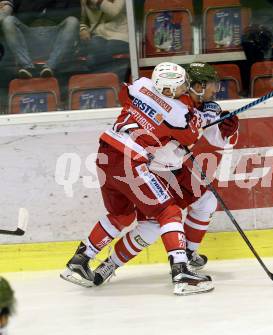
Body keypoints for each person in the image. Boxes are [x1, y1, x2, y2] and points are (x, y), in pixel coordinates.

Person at [60, 62, 214, 296]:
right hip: (130, 160)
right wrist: (206, 116)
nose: (186, 86)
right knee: (168, 211)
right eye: (182, 84)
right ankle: (182, 272)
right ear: (170, 90)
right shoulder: (178, 112)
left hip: (105, 154)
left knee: (121, 215)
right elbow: (189, 134)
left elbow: (124, 94)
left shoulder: (140, 85)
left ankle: (80, 260)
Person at [91, 62, 240, 286]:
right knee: (151, 226)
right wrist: (202, 121)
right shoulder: (173, 104)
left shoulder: (204, 106)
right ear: (196, 85)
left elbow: (218, 139)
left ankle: (187, 256)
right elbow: (179, 125)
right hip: (149, 168)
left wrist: (227, 129)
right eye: (211, 85)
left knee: (207, 198)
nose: (215, 90)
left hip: (173, 168)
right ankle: (111, 264)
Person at [1, 0, 80, 78]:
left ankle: (50, 66)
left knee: (72, 21)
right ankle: (27, 66)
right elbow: (22, 15)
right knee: (8, 21)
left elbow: (74, 13)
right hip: (29, 35)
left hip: (56, 35)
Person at [79, 0, 129, 78]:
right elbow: (83, 19)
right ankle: (104, 81)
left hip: (120, 34)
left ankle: (108, 81)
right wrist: (83, 29)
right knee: (94, 46)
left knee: (101, 53)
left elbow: (114, 11)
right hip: (98, 35)